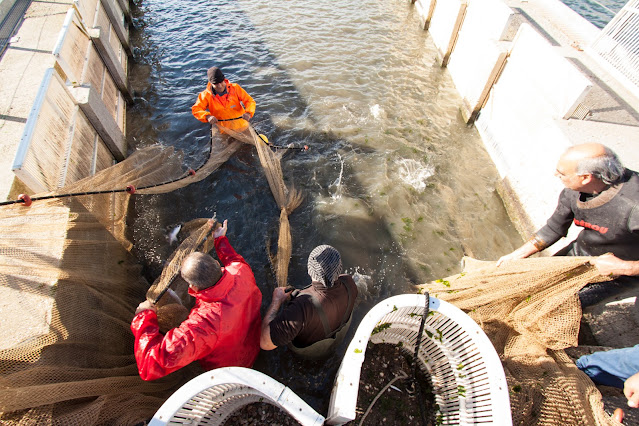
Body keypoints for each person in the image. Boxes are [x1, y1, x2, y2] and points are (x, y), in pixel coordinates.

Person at [497, 143, 639, 306]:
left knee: (560, 303)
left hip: (620, 271)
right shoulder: (572, 190)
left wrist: (623, 267)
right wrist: (517, 255)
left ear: (585, 177)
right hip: (582, 252)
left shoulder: (633, 207)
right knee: (534, 287)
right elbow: (554, 228)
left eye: (562, 173)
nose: (555, 175)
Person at [130, 219, 262, 381]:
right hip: (255, 341)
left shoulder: (202, 324)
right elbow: (234, 259)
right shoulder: (240, 271)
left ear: (192, 285)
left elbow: (150, 365)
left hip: (231, 369)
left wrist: (143, 317)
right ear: (215, 263)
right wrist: (220, 240)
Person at [260, 245, 358, 359]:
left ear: (309, 271)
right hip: (339, 341)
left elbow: (264, 342)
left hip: (310, 356)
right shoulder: (349, 282)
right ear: (339, 267)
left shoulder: (301, 307)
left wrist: (276, 301)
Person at [191, 66, 256, 133]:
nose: (219, 86)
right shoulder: (205, 95)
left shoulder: (235, 88)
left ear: (224, 80)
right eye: (216, 83)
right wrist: (207, 116)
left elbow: (249, 101)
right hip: (224, 130)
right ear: (211, 83)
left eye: (221, 82)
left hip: (242, 126)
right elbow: (196, 109)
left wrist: (248, 112)